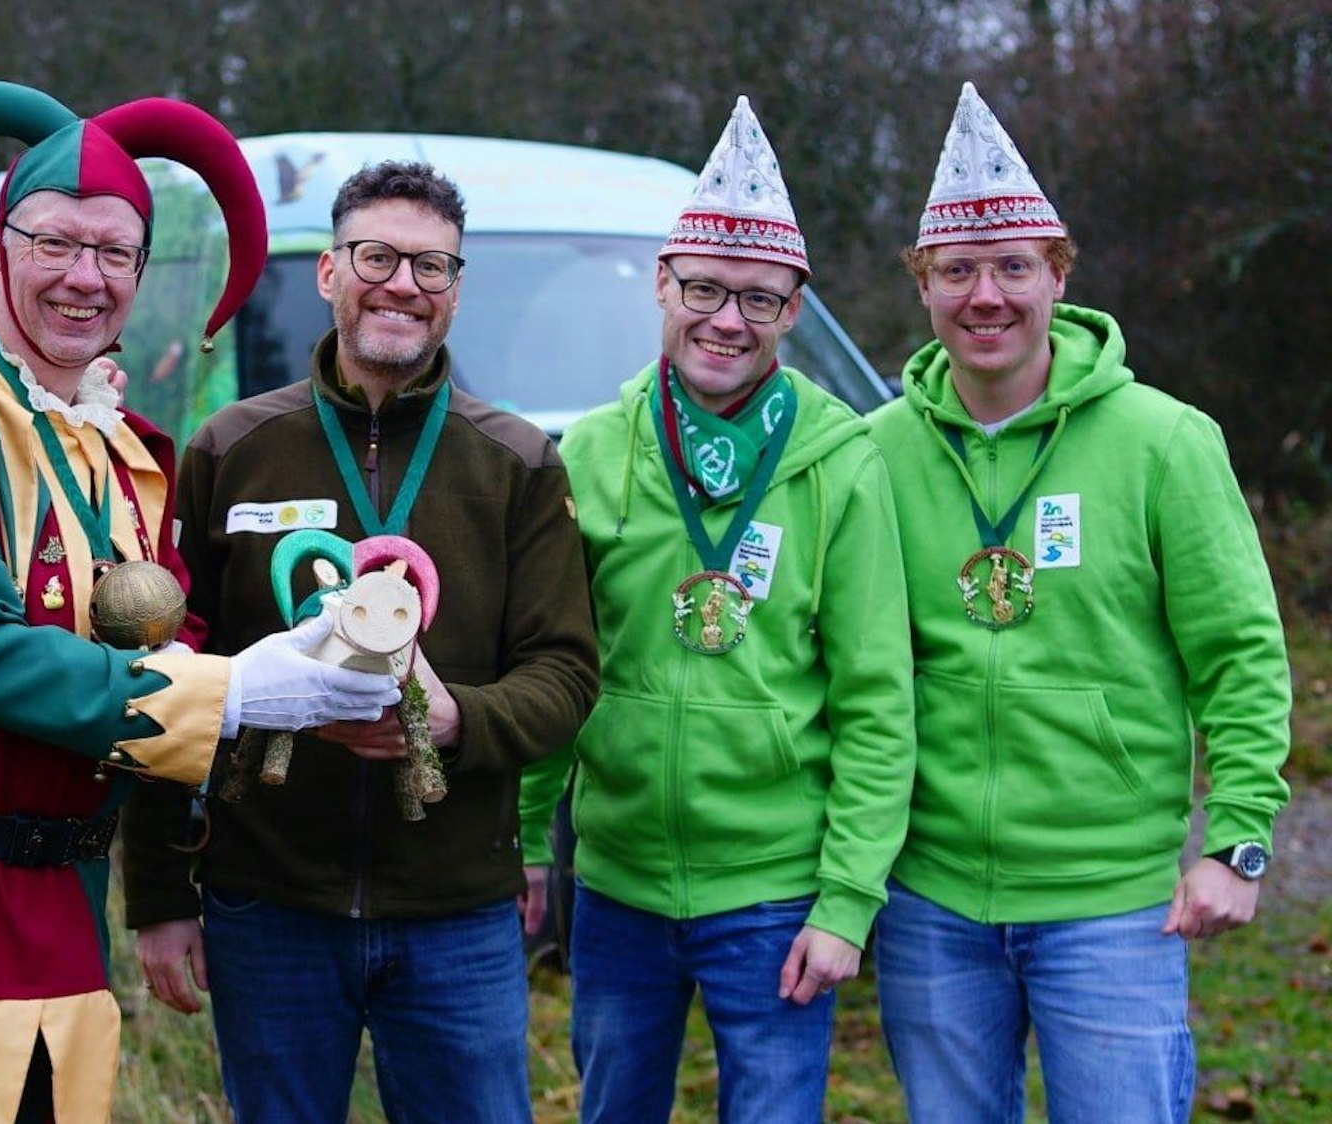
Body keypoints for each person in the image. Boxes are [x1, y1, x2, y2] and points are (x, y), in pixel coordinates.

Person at [0, 81, 399, 1124]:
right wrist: (236, 691)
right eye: (55, 243)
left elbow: (161, 638)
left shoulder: (126, 450)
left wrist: (300, 647)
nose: (85, 278)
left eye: (115, 252)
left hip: (68, 914)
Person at [122, 159, 600, 1123]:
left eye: (433, 267)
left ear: (457, 292)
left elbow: (565, 673)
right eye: (377, 256)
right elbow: (167, 673)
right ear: (330, 273)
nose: (403, 286)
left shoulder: (517, 463)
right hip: (269, 904)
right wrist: (163, 890)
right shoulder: (232, 447)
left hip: (456, 912)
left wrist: (461, 718)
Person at [868, 82, 1293, 1124]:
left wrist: (1236, 835)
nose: (985, 296)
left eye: (1012, 267)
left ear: (1056, 276)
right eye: (956, 270)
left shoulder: (1163, 441)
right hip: (928, 899)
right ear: (921, 284)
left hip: (1108, 901)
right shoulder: (870, 453)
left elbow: (1237, 648)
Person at [515, 96, 916, 1123]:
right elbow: (555, 661)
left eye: (757, 299)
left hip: (774, 887)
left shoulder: (842, 461)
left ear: (792, 308)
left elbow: (876, 696)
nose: (725, 320)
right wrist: (524, 837)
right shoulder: (594, 449)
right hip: (614, 882)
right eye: (702, 289)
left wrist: (844, 901)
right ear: (660, 284)